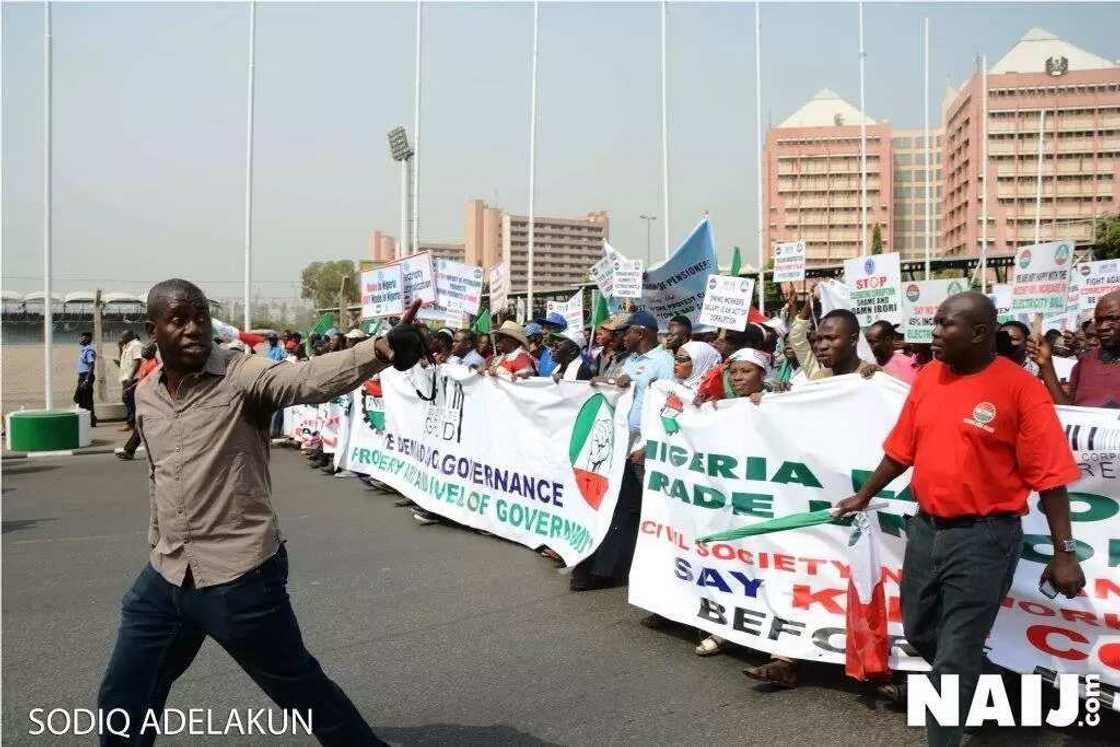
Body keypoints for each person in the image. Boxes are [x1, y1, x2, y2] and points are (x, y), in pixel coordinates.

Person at [97, 278, 422, 746]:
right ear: (154, 330)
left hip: (238, 578)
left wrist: (380, 349)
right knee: (125, 694)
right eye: (178, 319)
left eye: (200, 317)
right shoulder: (147, 395)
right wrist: (156, 540)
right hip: (168, 572)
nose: (193, 329)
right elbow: (160, 476)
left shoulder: (239, 373)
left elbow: (304, 379)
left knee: (303, 692)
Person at [836, 291, 1084, 746]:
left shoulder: (1021, 391)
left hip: (985, 539)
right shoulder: (929, 377)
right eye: (935, 322)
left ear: (979, 332)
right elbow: (900, 450)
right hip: (927, 530)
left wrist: (1064, 552)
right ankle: (1005, 699)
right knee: (921, 632)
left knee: (954, 655)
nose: (934, 333)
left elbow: (1050, 479)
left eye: (946, 324)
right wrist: (864, 494)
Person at [571, 311, 673, 591]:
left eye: (626, 332)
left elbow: (667, 404)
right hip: (622, 443)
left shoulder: (663, 362)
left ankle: (612, 568)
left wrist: (648, 445)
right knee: (623, 505)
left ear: (641, 333)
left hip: (642, 446)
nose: (622, 337)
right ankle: (613, 565)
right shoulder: (629, 361)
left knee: (634, 507)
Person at [1029, 289, 1120, 409]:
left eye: (1112, 319)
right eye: (1099, 320)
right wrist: (1046, 364)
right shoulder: (1085, 363)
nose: (1102, 327)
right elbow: (1069, 410)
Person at [115, 343, 160, 460]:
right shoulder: (147, 363)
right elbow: (142, 379)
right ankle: (129, 451)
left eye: (147, 349)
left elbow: (152, 381)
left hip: (152, 400)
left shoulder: (155, 364)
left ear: (152, 352)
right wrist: (131, 388)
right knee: (142, 426)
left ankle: (129, 451)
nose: (144, 351)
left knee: (141, 426)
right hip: (145, 399)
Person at [118, 331, 144, 431]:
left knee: (130, 400)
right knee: (127, 399)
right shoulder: (126, 346)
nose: (121, 339)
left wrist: (130, 377)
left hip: (132, 378)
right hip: (125, 377)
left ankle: (131, 423)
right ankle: (132, 423)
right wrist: (120, 348)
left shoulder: (136, 345)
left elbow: (138, 361)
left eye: (122, 337)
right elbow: (121, 360)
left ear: (128, 337)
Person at [532, 312, 569, 377]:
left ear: (560, 331)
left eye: (549, 328)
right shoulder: (544, 352)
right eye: (543, 328)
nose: (543, 332)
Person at [73, 331, 98, 427]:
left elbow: (92, 365)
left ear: (88, 339)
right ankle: (89, 419)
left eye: (83, 338)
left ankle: (90, 420)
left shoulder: (89, 351)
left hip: (86, 376)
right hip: (82, 376)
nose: (80, 339)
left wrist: (86, 380)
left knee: (85, 399)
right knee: (80, 398)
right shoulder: (84, 350)